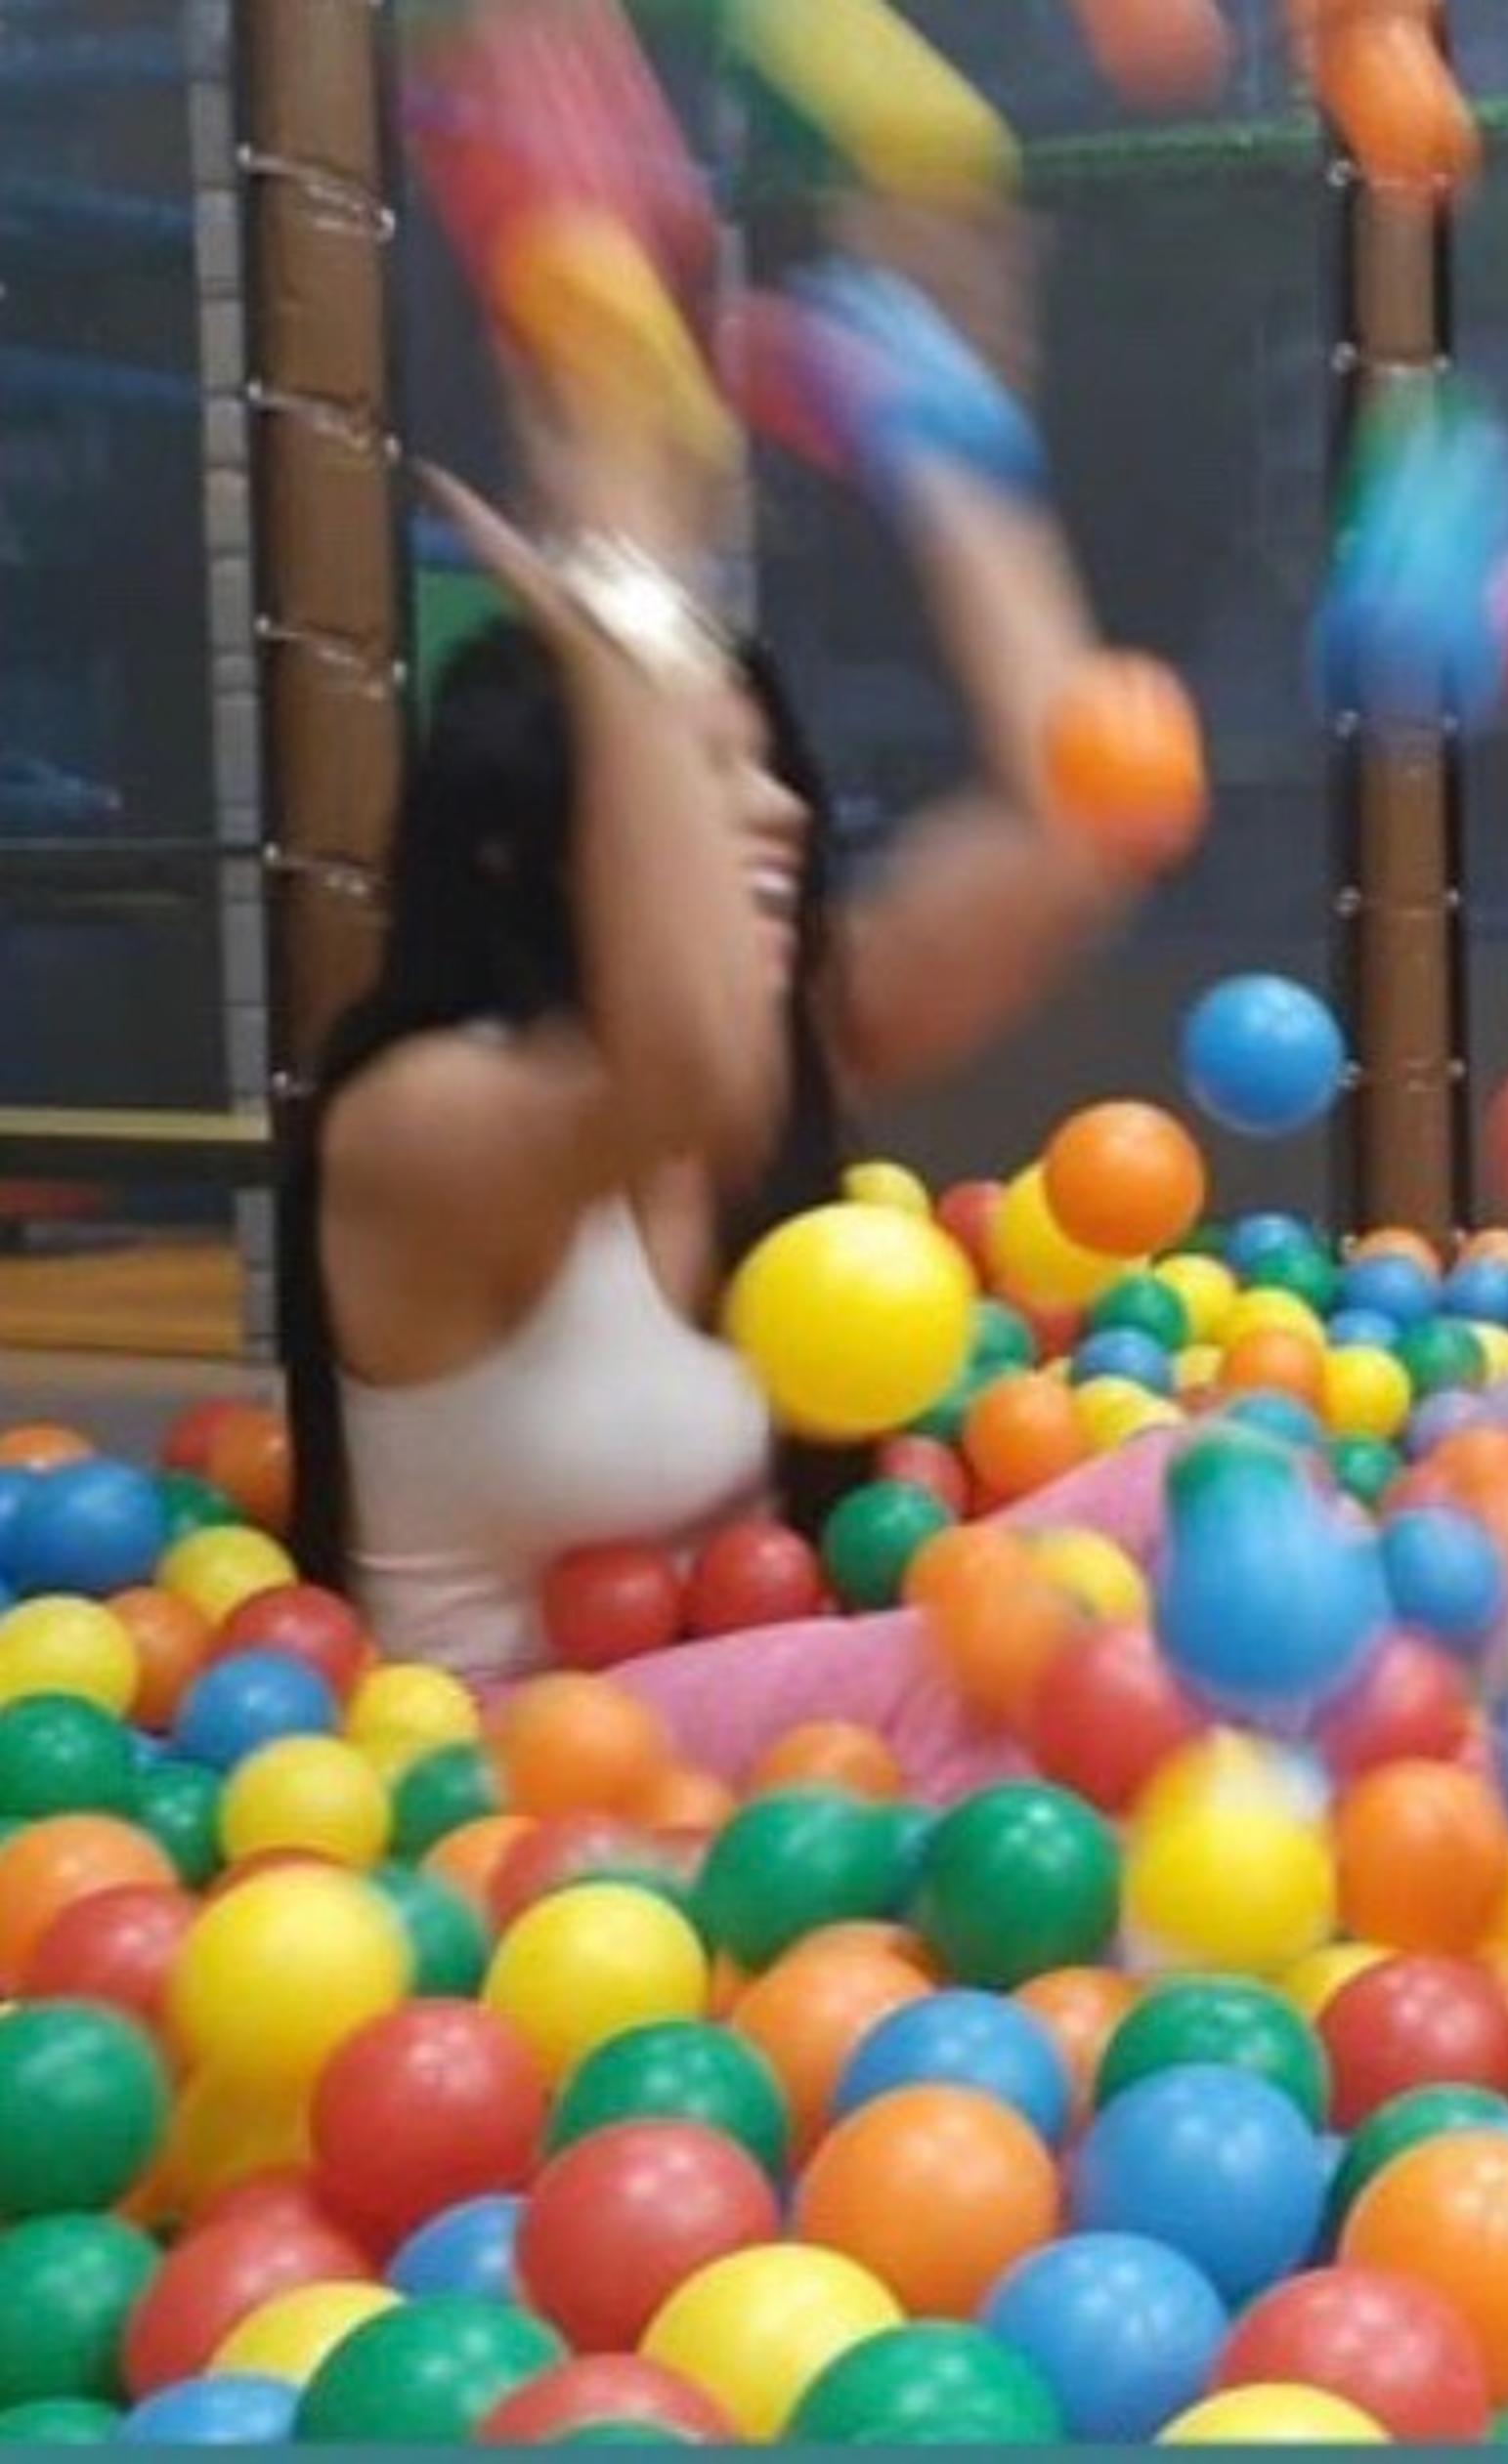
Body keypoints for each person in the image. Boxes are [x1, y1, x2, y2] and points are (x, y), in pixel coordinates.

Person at [277, 210, 1159, 1684]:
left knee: (1193, 1508)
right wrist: (623, 572)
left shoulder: (791, 1038)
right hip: (507, 1852)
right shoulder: (418, 1120)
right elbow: (679, 1064)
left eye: (769, 766)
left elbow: (1088, 823)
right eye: (695, 772)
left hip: (782, 1835)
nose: (775, 813)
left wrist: (942, 430)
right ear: (515, 845)